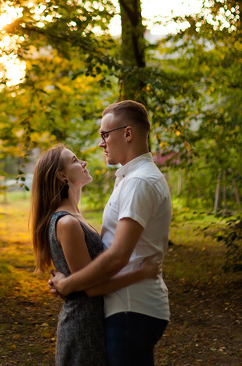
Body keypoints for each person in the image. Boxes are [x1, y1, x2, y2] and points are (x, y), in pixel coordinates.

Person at [50, 100, 172, 366]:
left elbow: (118, 255)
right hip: (129, 307)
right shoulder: (130, 178)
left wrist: (67, 285)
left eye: (105, 135)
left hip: (132, 308)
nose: (100, 143)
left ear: (127, 133)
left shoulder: (139, 181)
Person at [31, 144, 162, 366]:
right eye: (74, 160)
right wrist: (142, 273)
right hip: (83, 326)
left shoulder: (76, 218)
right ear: (61, 175)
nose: (83, 162)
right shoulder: (67, 222)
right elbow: (90, 287)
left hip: (95, 320)